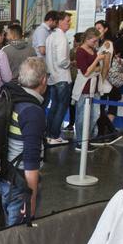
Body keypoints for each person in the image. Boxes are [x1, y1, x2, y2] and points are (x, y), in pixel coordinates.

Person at [0, 57, 47, 226]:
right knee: (17, 236)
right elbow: (30, 160)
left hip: (5, 176)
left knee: (8, 231)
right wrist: (30, 200)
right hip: (20, 183)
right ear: (44, 80)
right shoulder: (32, 111)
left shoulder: (12, 98)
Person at [70, 27, 106, 144]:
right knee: (82, 117)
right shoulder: (80, 51)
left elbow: (99, 68)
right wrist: (97, 61)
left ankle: (87, 139)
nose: (96, 43)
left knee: (95, 115)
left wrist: (95, 66)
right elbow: (86, 71)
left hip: (94, 87)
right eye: (94, 41)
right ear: (87, 39)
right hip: (84, 88)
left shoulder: (93, 50)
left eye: (97, 41)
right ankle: (81, 141)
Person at [44, 13, 72, 145]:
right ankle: (54, 135)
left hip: (52, 77)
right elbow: (62, 61)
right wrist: (70, 63)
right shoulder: (61, 37)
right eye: (67, 21)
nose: (69, 23)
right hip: (61, 76)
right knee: (61, 107)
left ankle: (49, 134)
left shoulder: (50, 37)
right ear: (60, 21)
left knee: (54, 107)